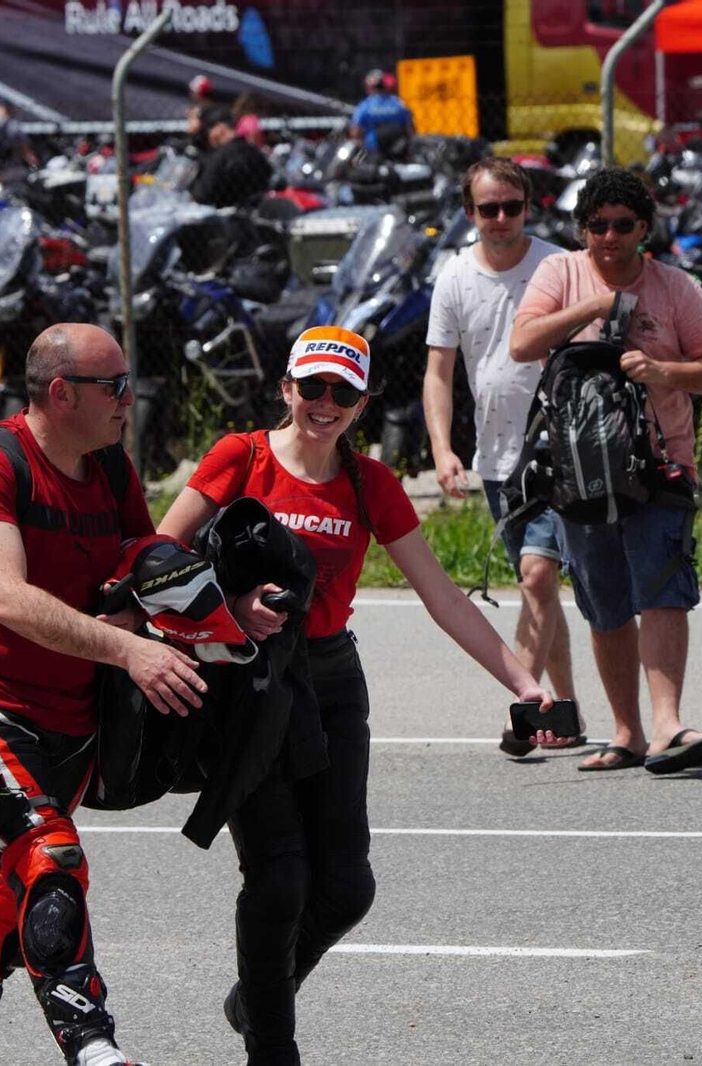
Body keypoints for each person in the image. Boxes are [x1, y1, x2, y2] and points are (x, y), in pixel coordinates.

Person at [156, 326, 555, 1065]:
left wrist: (528, 683)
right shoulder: (237, 458)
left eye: (343, 392)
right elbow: (160, 555)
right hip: (246, 679)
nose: (325, 403)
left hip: (332, 681)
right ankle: (274, 1048)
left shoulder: (371, 483)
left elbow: (443, 598)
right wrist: (231, 609)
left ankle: (255, 998)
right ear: (287, 389)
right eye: (313, 387)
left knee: (344, 887)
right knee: (278, 879)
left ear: (363, 402)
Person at [0, 324, 203, 1066]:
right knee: (51, 855)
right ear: (63, 393)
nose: (129, 400)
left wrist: (209, 605)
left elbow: (142, 567)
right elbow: (5, 596)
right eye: (115, 386)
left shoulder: (110, 470)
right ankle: (92, 1043)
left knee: (1, 891)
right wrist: (129, 649)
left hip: (70, 710)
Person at [510, 167, 702, 775]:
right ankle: (627, 733)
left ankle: (668, 727)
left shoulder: (676, 288)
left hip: (661, 466)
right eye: (598, 226)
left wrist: (664, 372)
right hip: (578, 471)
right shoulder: (560, 272)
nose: (610, 238)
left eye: (623, 225)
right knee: (603, 603)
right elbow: (522, 343)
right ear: (583, 230)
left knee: (662, 590)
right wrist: (594, 306)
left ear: (644, 230)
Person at [424, 156, 578, 757]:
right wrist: (442, 449)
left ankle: (529, 711)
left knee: (538, 575)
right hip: (498, 455)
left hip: (561, 449)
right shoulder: (455, 275)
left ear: (528, 207)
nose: (501, 218)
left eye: (512, 207)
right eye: (488, 209)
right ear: (470, 213)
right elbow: (438, 371)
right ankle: (566, 712)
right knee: (539, 583)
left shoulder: (558, 265)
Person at [189, 105, 273, 209]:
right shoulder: (254, 152)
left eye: (208, 131)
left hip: (225, 219)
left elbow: (202, 196)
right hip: (257, 214)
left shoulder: (219, 157)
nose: (208, 137)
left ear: (220, 128)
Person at [348, 69, 413, 158]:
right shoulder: (399, 104)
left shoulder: (365, 106)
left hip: (374, 154)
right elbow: (409, 130)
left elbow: (355, 132)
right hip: (399, 153)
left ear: (369, 87)